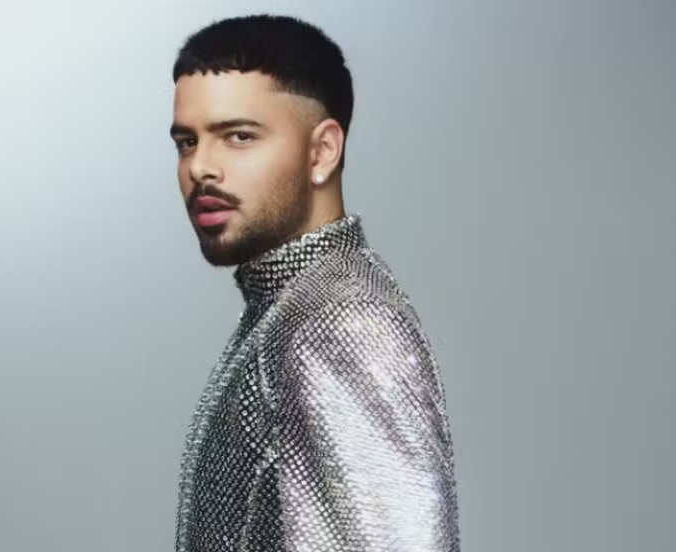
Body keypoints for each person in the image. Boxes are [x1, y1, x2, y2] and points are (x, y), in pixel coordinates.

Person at [169, 14, 460, 552]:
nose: (201, 167)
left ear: (322, 151)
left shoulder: (345, 321)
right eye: (187, 142)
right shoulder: (287, 309)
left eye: (238, 136)